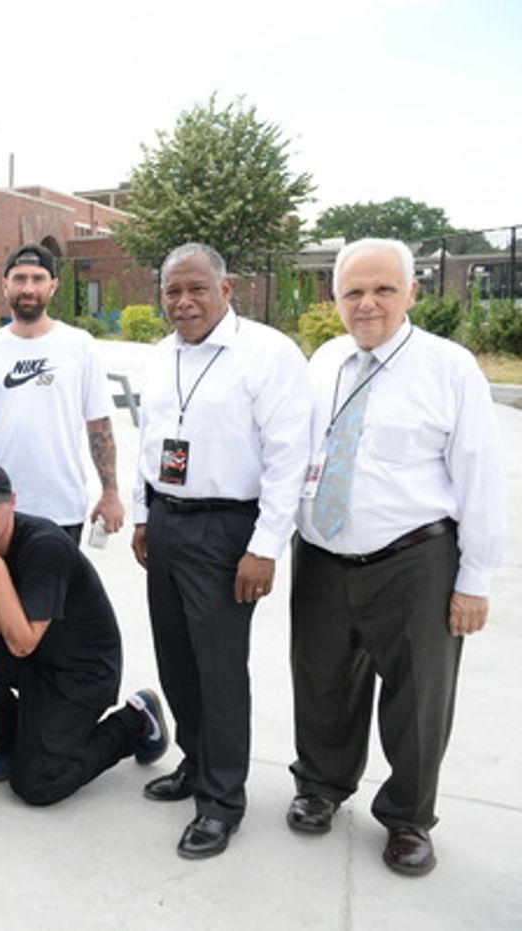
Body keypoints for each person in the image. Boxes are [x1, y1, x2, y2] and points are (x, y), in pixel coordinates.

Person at [287, 238, 506, 876]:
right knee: (321, 680)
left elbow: (480, 475)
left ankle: (408, 817)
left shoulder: (449, 367)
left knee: (419, 697)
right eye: (353, 291)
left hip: (415, 561)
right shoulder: (324, 360)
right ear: (335, 298)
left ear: (413, 293)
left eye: (384, 289)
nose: (368, 304)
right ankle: (321, 787)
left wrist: (474, 579)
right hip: (323, 556)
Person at [130, 242, 311, 859]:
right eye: (171, 292)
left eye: (195, 289)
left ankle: (222, 802)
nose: (182, 302)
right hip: (168, 521)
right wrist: (141, 516)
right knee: (176, 658)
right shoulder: (160, 357)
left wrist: (265, 548)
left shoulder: (267, 354)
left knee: (220, 671)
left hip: (228, 531)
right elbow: (149, 443)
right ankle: (195, 761)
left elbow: (290, 459)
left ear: (225, 289)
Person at [0, 460, 167, 804]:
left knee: (37, 785)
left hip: (81, 670)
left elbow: (22, 642)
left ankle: (136, 721)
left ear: (13, 502)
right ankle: (14, 745)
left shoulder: (44, 546)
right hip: (36, 657)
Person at [0, 244, 123, 543]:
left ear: (53, 286)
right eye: (19, 279)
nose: (28, 288)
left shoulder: (79, 346)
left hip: (61, 508)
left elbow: (99, 427)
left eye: (38, 279)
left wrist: (110, 492)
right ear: (5, 285)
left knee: (54, 591)